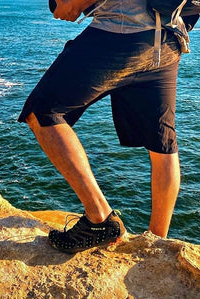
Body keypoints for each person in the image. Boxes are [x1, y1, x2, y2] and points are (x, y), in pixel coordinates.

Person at [18, 0, 182, 253]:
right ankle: (156, 242)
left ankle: (99, 219)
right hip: (168, 41)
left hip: (123, 32)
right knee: (163, 143)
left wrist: (69, 5)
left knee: (42, 112)